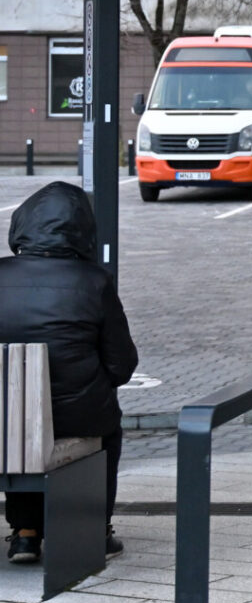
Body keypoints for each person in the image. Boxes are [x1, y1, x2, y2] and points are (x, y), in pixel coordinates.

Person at [0, 181, 139, 564]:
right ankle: (95, 528)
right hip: (78, 415)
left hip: (2, 422)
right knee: (105, 426)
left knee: (16, 421)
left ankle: (26, 532)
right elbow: (122, 365)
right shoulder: (94, 282)